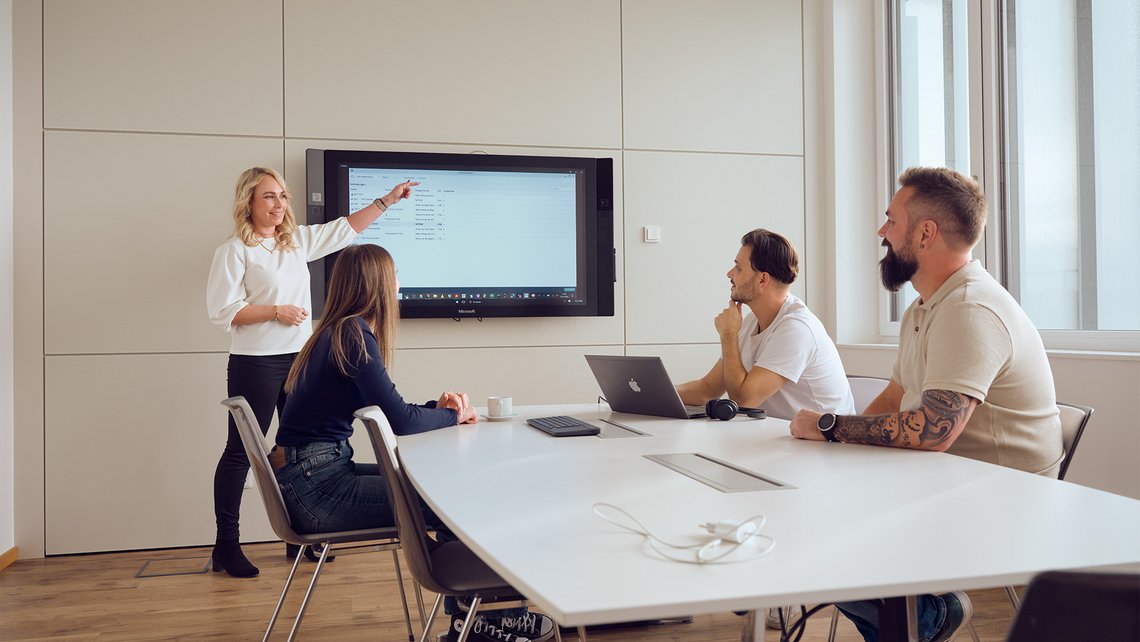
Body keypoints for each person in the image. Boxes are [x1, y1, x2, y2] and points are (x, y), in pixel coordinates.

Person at [789, 167, 1063, 642]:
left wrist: (831, 426)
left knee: (818, 537)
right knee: (809, 517)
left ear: (925, 233)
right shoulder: (925, 306)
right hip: (948, 482)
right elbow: (897, 397)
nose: (882, 231)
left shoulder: (970, 309)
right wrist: (828, 446)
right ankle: (923, 612)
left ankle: (929, 617)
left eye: (890, 220)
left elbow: (933, 431)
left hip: (1004, 504)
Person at [273, 244, 554, 642]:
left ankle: (485, 620)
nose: (400, 284)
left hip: (311, 477)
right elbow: (401, 421)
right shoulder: (353, 335)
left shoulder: (338, 332)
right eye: (396, 275)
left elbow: (392, 409)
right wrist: (454, 416)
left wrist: (435, 409)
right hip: (318, 489)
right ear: (378, 285)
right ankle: (487, 623)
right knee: (459, 500)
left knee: (453, 494)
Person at [206, 166, 419, 578]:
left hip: (300, 357)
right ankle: (226, 546)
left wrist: (387, 201)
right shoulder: (233, 251)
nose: (279, 204)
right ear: (248, 201)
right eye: (269, 196)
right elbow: (222, 312)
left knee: (295, 447)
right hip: (257, 361)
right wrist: (275, 311)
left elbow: (343, 230)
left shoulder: (295, 241)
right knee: (240, 452)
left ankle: (297, 537)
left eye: (283, 196)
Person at [676, 228, 855, 421]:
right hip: (782, 439)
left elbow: (743, 400)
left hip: (824, 446)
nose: (730, 274)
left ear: (763, 279)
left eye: (738, 268)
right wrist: (651, 394)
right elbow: (708, 389)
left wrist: (728, 335)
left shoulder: (796, 329)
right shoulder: (751, 321)